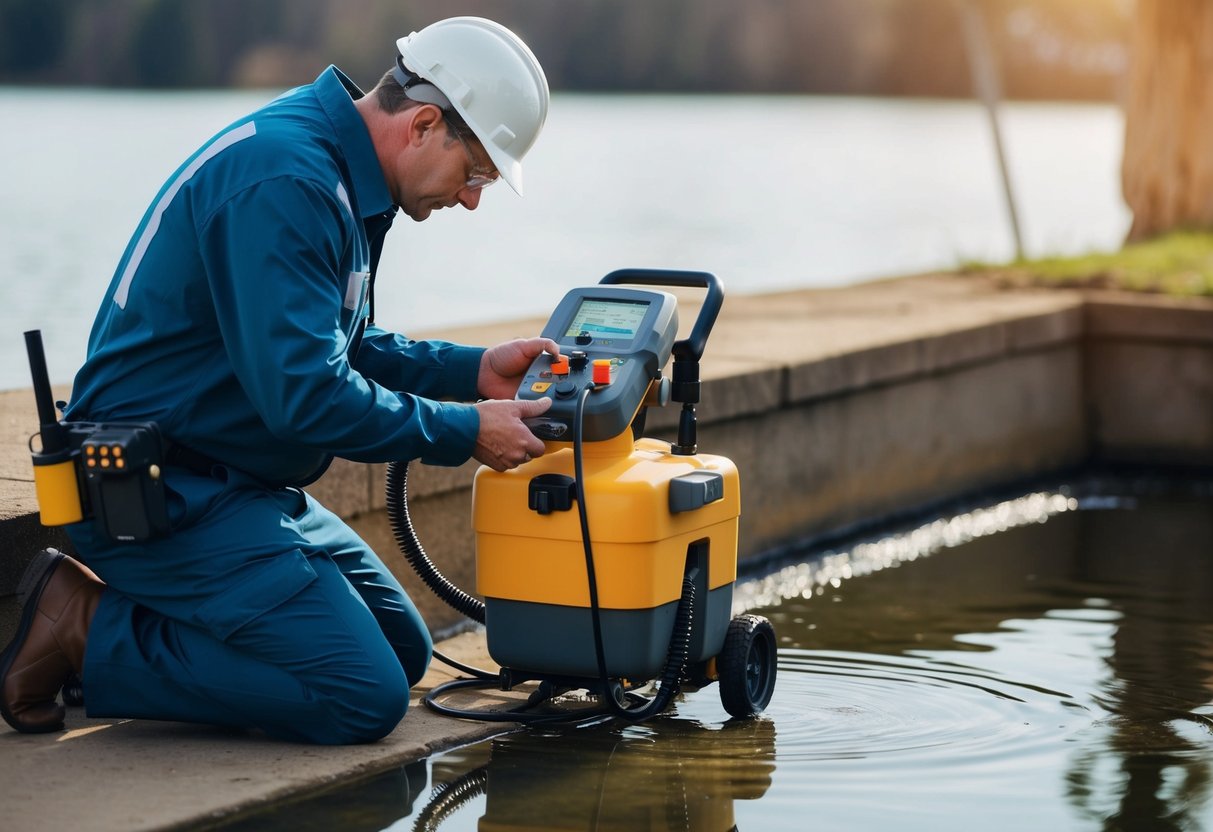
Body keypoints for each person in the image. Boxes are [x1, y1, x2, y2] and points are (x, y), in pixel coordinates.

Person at [0, 16, 557, 744]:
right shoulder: (288, 181)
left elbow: (337, 344)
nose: (472, 197)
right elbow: (307, 395)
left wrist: (472, 371)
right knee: (362, 696)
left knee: (402, 651)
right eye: (476, 172)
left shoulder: (335, 165)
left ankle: (139, 633)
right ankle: (81, 625)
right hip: (158, 493)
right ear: (423, 124)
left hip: (232, 479)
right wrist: (463, 431)